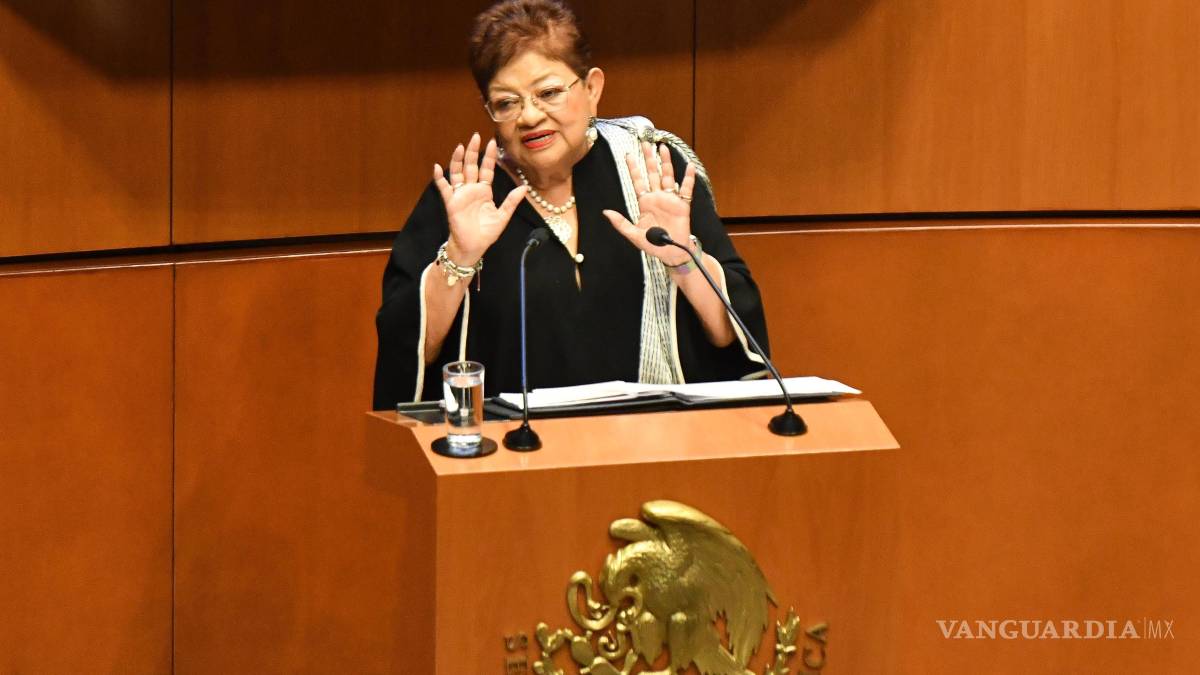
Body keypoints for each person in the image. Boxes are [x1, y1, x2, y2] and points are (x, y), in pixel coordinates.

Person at [372, 0, 769, 409]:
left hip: (653, 434)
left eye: (548, 93)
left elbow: (731, 336)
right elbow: (409, 355)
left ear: (592, 88)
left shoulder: (653, 172)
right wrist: (459, 258)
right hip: (511, 441)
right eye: (507, 102)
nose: (529, 117)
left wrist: (682, 260)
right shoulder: (465, 197)